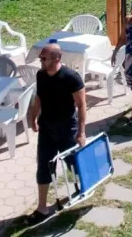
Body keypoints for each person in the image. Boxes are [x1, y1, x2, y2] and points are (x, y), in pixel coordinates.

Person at [27, 43, 88, 221]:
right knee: (44, 166)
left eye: (44, 58)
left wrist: (82, 131)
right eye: (41, 58)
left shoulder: (71, 77)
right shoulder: (41, 75)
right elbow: (39, 96)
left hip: (66, 128)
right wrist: (33, 117)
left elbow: (82, 105)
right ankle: (42, 208)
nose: (41, 61)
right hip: (46, 128)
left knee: (73, 162)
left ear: (57, 58)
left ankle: (84, 185)